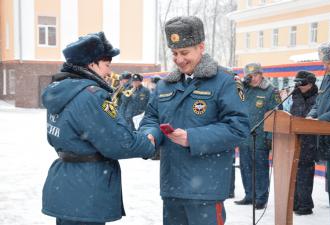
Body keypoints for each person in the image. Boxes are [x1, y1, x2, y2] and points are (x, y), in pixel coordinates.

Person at [139, 16, 250, 225]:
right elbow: (151, 119)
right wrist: (150, 135)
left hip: (206, 189)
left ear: (201, 47)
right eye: (174, 53)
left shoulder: (225, 82)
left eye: (184, 52)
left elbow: (238, 128)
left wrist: (193, 137)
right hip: (172, 187)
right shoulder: (164, 86)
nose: (179, 59)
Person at [41, 32, 155, 225]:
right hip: (87, 189)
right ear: (91, 64)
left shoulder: (62, 90)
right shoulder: (92, 96)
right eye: (107, 65)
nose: (109, 72)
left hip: (66, 185)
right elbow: (119, 143)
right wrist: (148, 143)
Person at [235, 63, 282, 209]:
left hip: (260, 137)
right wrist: (240, 85)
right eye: (250, 76)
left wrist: (269, 137)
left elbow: (276, 115)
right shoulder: (245, 89)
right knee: (245, 167)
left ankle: (261, 198)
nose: (253, 78)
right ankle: (249, 195)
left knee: (260, 169)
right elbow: (234, 105)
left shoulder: (270, 90)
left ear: (261, 74)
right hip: (245, 136)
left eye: (255, 75)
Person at [307, 40, 330, 225]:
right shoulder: (328, 77)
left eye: (327, 62)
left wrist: (321, 119)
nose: (324, 66)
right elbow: (319, 103)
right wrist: (311, 116)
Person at [290, 71, 318, 215]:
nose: (300, 86)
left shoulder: (318, 97)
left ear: (311, 83)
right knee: (293, 173)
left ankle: (305, 205)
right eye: (298, 83)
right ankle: (294, 203)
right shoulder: (295, 94)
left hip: (310, 140)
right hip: (294, 139)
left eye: (303, 83)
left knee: (305, 174)